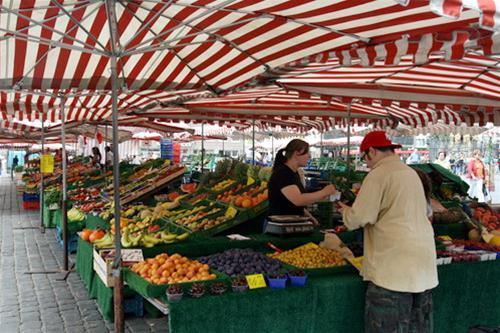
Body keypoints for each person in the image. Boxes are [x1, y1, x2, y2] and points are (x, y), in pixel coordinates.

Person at [337, 131, 438, 333]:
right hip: (423, 267)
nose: (366, 163)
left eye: (364, 157)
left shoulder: (378, 175)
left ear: (372, 151)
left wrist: (346, 211)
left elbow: (360, 217)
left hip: (393, 268)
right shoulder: (410, 173)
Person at [267, 139, 336, 224]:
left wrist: (309, 217)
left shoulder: (294, 173)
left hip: (292, 223)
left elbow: (294, 204)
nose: (309, 157)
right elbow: (298, 200)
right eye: (307, 153)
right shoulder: (283, 173)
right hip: (280, 226)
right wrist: (324, 192)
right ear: (296, 154)